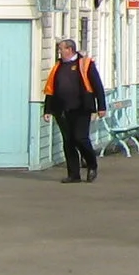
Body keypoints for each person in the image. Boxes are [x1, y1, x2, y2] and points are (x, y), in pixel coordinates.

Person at [44, 39, 107, 183]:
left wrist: (101, 106)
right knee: (68, 141)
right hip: (62, 109)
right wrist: (47, 110)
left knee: (80, 138)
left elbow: (97, 86)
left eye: (61, 49)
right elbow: (50, 89)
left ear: (70, 49)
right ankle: (73, 174)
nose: (59, 52)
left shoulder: (85, 64)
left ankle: (92, 164)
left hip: (81, 108)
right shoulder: (58, 66)